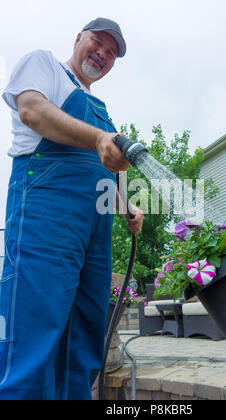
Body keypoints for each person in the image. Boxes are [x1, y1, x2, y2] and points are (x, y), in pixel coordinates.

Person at [0, 17, 144, 400]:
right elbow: (32, 110)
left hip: (93, 232)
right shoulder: (45, 66)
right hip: (45, 215)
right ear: (79, 38)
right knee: (35, 328)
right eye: (98, 43)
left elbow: (105, 171)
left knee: (84, 334)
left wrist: (127, 204)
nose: (102, 54)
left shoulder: (102, 110)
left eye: (112, 53)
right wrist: (99, 137)